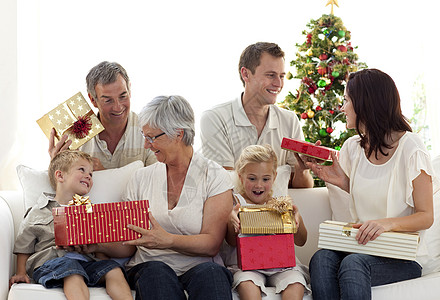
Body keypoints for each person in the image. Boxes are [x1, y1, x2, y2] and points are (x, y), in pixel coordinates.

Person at [307, 68, 440, 300]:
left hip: (403, 256)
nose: (342, 107)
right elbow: (376, 191)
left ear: (365, 104)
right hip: (365, 247)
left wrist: (386, 224)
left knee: (353, 264)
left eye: (347, 100)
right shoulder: (353, 147)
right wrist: (342, 181)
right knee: (322, 258)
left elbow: (426, 215)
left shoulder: (411, 147)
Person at [121, 95, 234, 299]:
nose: (146, 145)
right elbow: (127, 240)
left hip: (201, 267)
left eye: (152, 137)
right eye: (144, 136)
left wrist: (168, 240)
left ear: (178, 134)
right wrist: (95, 246)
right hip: (150, 266)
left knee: (212, 274)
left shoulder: (215, 176)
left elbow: (211, 244)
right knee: (156, 272)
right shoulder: (141, 178)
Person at [9, 150, 133, 300]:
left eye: (91, 174)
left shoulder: (91, 211)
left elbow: (100, 249)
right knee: (71, 269)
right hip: (51, 262)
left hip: (85, 262)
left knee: (113, 269)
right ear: (60, 176)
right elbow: (24, 245)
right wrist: (21, 272)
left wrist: (100, 255)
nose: (88, 176)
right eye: (82, 170)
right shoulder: (39, 210)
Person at [200, 42, 313, 188]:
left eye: (281, 76)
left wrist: (301, 170)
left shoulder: (289, 120)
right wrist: (280, 176)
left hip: (278, 210)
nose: (278, 83)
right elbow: (225, 185)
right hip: (235, 211)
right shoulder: (215, 119)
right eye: (270, 75)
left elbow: (302, 187)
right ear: (246, 74)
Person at [225, 144, 310, 300]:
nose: (259, 185)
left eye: (265, 179)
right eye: (252, 178)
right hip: (247, 267)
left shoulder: (280, 204)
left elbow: (301, 241)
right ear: (240, 176)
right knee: (247, 284)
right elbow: (231, 242)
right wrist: (232, 223)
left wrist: (297, 221)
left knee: (295, 283)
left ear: (274, 177)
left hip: (282, 266)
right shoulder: (237, 203)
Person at [48, 61, 156, 170]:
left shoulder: (149, 129)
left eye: (123, 96)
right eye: (108, 100)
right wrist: (56, 166)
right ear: (93, 100)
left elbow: (156, 181)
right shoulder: (75, 138)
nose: (118, 107)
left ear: (129, 91)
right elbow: (63, 184)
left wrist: (103, 174)